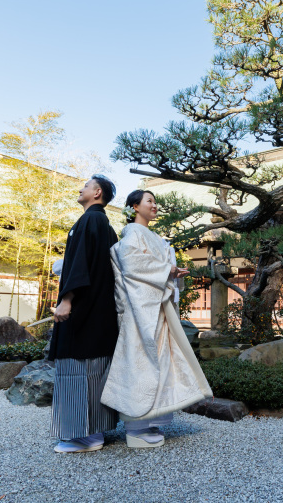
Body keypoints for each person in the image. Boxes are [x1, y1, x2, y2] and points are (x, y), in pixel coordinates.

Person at [101, 189, 213, 448]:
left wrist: (172, 273)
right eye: (149, 201)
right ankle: (136, 426)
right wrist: (168, 270)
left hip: (155, 306)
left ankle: (149, 421)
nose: (155, 205)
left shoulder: (150, 235)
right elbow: (132, 266)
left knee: (160, 362)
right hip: (141, 309)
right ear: (134, 207)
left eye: (155, 201)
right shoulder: (132, 233)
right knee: (141, 362)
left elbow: (150, 267)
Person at [47, 174, 119, 453]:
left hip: (84, 309)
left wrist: (66, 300)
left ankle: (83, 436)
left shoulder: (90, 220)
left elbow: (79, 265)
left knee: (78, 367)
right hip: (100, 310)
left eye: (86, 186)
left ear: (97, 192)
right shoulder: (105, 225)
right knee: (96, 368)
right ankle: (96, 431)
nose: (81, 189)